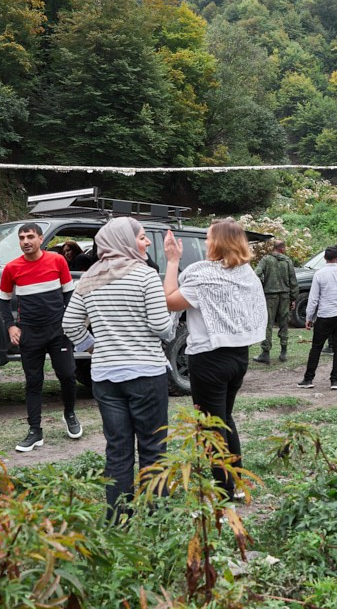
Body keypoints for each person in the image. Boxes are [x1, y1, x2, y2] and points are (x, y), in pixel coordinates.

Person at [62, 218, 176, 510]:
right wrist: (173, 315)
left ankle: (118, 520)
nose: (147, 242)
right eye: (141, 237)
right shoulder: (146, 275)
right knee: (153, 449)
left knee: (117, 450)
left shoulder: (88, 278)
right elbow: (162, 327)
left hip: (105, 377)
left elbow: (70, 324)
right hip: (146, 373)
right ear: (124, 241)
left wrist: (94, 346)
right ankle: (156, 519)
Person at [163, 219, 267, 498]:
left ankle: (223, 491)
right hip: (238, 357)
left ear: (219, 242)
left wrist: (173, 261)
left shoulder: (204, 276)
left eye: (209, 238)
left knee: (210, 427)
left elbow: (170, 300)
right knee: (224, 420)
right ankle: (238, 484)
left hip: (208, 358)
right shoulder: (246, 274)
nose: (206, 243)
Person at [0, 223, 81, 452]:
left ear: (40, 239)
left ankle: (70, 414)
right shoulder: (12, 268)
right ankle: (35, 431)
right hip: (30, 333)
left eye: (30, 237)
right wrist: (10, 327)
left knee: (67, 375)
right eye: (22, 237)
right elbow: (2, 300)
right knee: (33, 382)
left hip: (58, 331)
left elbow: (69, 295)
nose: (26, 241)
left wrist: (69, 322)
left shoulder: (58, 261)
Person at [298, 246, 337, 390]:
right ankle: (335, 380)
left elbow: (314, 299)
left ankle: (308, 379)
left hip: (324, 315)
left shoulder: (319, 274)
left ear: (324, 258)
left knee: (316, 348)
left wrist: (309, 317)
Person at [253, 240, 297, 364]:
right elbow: (293, 280)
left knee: (268, 324)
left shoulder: (266, 259)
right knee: (284, 323)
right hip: (284, 296)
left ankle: (265, 353)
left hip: (269, 296)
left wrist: (262, 283)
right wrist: (293, 298)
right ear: (282, 248)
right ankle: (283, 352)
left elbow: (256, 273)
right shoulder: (287, 261)